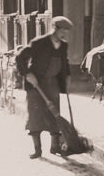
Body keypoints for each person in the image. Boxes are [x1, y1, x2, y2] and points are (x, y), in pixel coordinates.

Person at [15, 15, 73, 159]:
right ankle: (37, 150)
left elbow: (64, 62)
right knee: (36, 116)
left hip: (52, 84)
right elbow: (20, 58)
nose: (64, 34)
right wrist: (27, 74)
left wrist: (67, 77)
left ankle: (55, 147)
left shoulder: (63, 45)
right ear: (55, 28)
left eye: (66, 32)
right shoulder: (39, 43)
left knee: (54, 115)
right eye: (62, 31)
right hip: (36, 85)